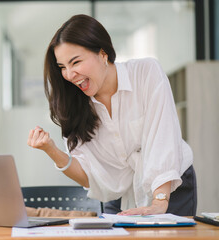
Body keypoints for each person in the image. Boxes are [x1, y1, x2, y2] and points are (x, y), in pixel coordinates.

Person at [27, 14, 197, 216]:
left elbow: (163, 141)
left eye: (76, 62)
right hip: (121, 194)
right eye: (63, 67)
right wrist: (51, 150)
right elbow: (88, 177)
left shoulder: (146, 74)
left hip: (169, 188)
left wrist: (159, 203)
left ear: (102, 53)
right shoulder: (73, 106)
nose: (69, 75)